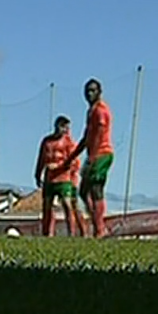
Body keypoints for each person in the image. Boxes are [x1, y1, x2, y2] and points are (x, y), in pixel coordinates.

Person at [63, 79, 113, 238]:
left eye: (93, 90)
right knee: (84, 191)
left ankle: (100, 229)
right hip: (93, 155)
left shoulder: (101, 111)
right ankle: (98, 223)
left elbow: (98, 134)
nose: (89, 94)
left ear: (100, 92)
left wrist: (93, 156)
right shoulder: (91, 111)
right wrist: (71, 157)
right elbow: (87, 138)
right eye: (87, 91)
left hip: (102, 154)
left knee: (96, 189)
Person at [35, 115, 81, 237]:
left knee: (67, 204)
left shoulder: (69, 143)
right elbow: (41, 159)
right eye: (62, 126)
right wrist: (38, 173)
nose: (64, 129)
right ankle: (47, 233)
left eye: (66, 127)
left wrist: (60, 166)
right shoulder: (47, 142)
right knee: (47, 206)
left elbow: (73, 161)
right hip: (49, 179)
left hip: (64, 179)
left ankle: (71, 233)